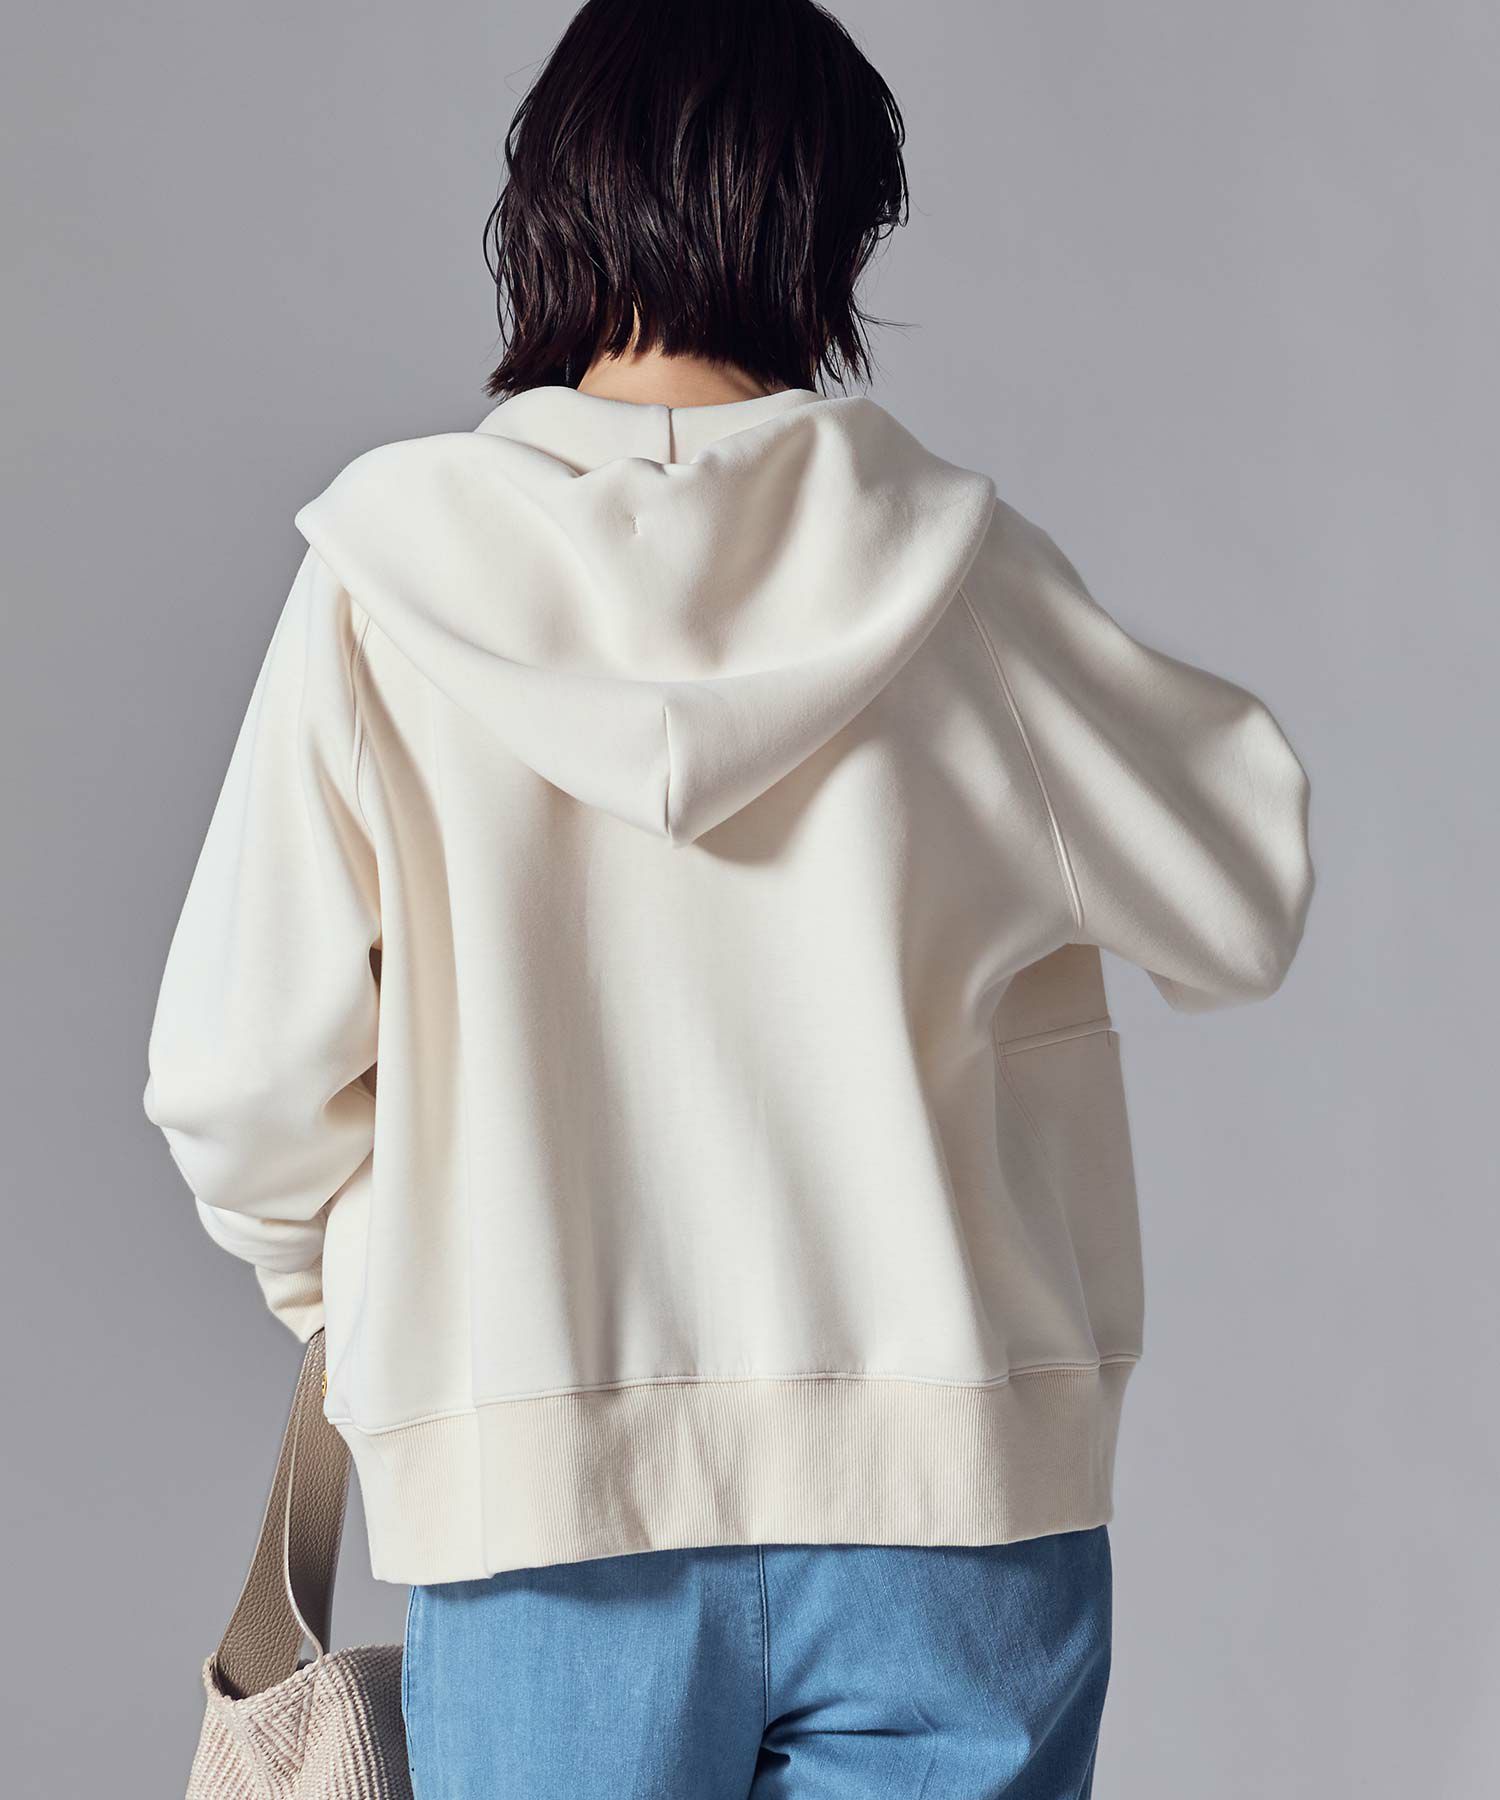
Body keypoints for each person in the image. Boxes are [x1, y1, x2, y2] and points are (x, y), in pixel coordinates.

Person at [142, 2, 1315, 1794]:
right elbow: (1244, 888)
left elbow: (234, 1086)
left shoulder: (385, 585)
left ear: (554, 202)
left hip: (544, 1524)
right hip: (950, 1510)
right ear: (826, 230)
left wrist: (391, 1312)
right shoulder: (959, 576)